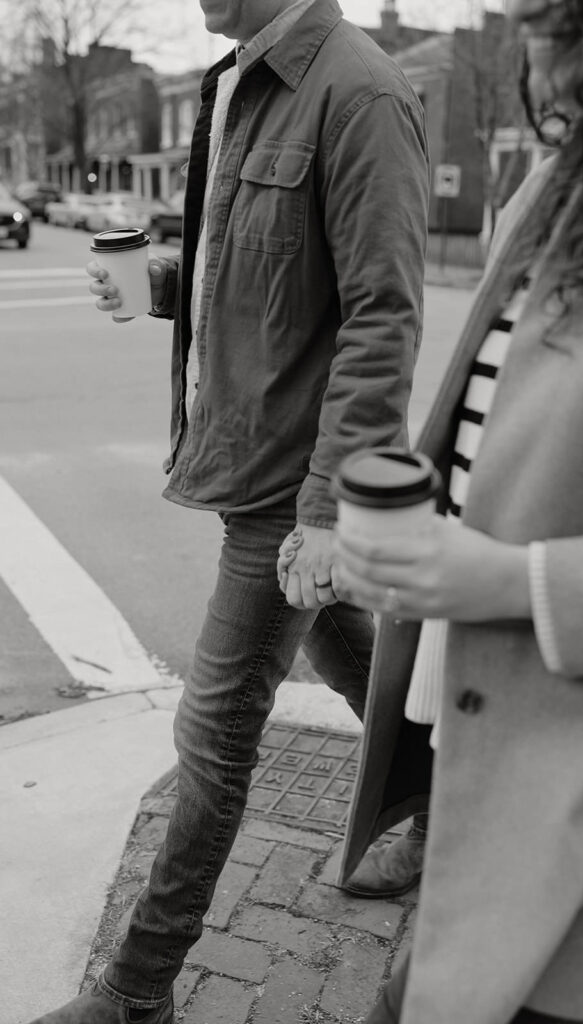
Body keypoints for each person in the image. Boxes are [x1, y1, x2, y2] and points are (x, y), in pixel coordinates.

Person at [29, 2, 429, 1022]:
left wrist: (327, 509)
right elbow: (246, 266)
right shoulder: (239, 81)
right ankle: (447, 801)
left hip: (292, 485)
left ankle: (137, 988)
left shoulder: (361, 92)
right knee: (349, 652)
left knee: (212, 735)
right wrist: (156, 281)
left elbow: (382, 314)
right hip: (248, 459)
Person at [334, 1, 583, 1022]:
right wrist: (405, 529)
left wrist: (513, 582)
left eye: (558, 22)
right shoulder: (560, 181)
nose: (534, 49)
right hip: (490, 746)